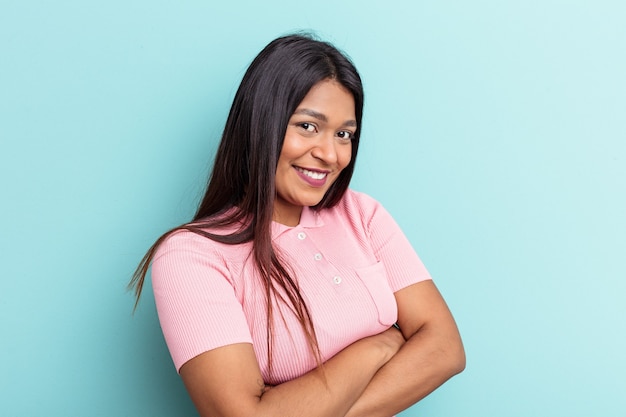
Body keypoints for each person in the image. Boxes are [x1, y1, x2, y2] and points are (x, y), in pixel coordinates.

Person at [129, 33, 465, 417]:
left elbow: (445, 349)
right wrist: (379, 345)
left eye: (344, 134)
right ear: (262, 123)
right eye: (308, 126)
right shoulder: (192, 256)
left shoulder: (363, 215)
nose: (329, 154)